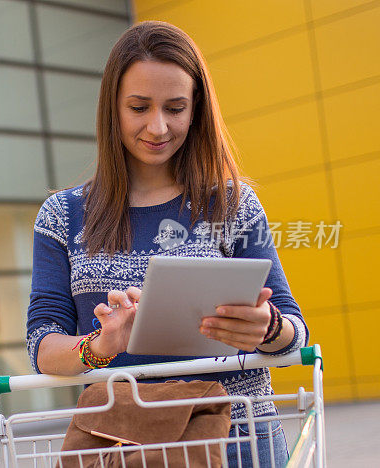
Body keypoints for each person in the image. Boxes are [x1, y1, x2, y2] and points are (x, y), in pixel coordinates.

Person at [26, 21, 307, 467]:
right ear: (112, 109)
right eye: (139, 107)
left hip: (237, 442)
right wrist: (98, 345)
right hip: (122, 444)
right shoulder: (63, 216)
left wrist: (266, 327)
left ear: (196, 110)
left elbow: (295, 332)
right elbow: (42, 345)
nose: (158, 127)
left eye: (175, 108)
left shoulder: (232, 203)